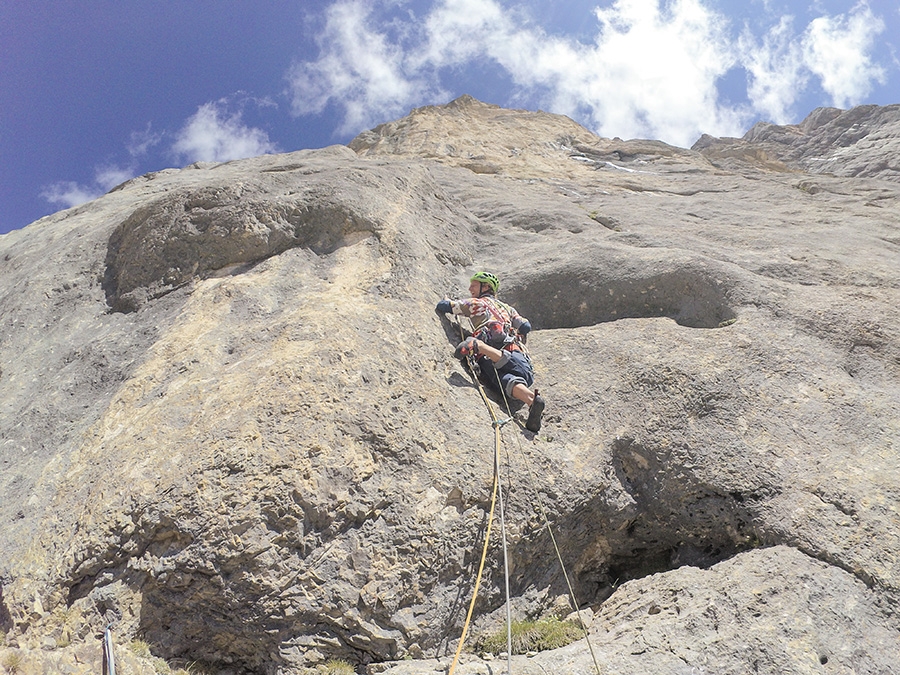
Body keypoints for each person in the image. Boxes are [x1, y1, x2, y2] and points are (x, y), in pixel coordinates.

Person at [436, 271, 545, 433]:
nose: (470, 288)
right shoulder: (508, 308)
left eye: (473, 285)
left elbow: (445, 307)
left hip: (488, 348)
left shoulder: (478, 304)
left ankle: (477, 345)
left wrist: (448, 301)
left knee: (503, 378)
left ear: (485, 287)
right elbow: (525, 326)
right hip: (513, 349)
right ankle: (531, 400)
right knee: (514, 379)